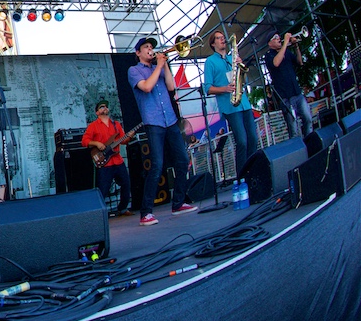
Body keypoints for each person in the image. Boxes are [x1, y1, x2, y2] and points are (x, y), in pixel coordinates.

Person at [127, 37, 197, 226]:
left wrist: (164, 64)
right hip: (154, 121)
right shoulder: (134, 71)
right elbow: (147, 87)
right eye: (146, 47)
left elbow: (171, 87)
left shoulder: (158, 67)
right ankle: (146, 213)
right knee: (157, 165)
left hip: (170, 120)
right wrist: (158, 65)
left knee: (183, 160)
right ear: (138, 53)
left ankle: (179, 203)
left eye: (152, 47)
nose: (150, 50)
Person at [202, 30, 260, 172]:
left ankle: (253, 172)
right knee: (242, 141)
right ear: (213, 43)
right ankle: (242, 176)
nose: (223, 40)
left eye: (223, 38)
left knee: (253, 139)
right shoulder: (210, 61)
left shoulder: (231, 58)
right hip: (230, 106)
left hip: (244, 103)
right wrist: (225, 88)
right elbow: (207, 88)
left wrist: (241, 68)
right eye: (219, 38)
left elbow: (242, 80)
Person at [81, 99, 131, 216]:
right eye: (101, 107)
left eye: (106, 106)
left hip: (117, 160)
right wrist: (97, 143)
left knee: (126, 183)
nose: (104, 108)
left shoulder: (116, 124)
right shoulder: (93, 126)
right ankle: (100, 213)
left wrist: (129, 137)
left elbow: (123, 140)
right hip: (105, 162)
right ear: (97, 112)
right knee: (103, 188)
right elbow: (84, 141)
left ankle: (123, 208)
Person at [264, 32, 314, 138]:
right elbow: (276, 63)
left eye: (279, 37)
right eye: (275, 38)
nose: (279, 39)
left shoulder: (286, 51)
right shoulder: (269, 55)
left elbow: (300, 62)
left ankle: (310, 143)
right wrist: (286, 41)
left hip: (296, 92)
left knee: (308, 119)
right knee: (293, 128)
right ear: (270, 43)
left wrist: (296, 47)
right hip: (285, 97)